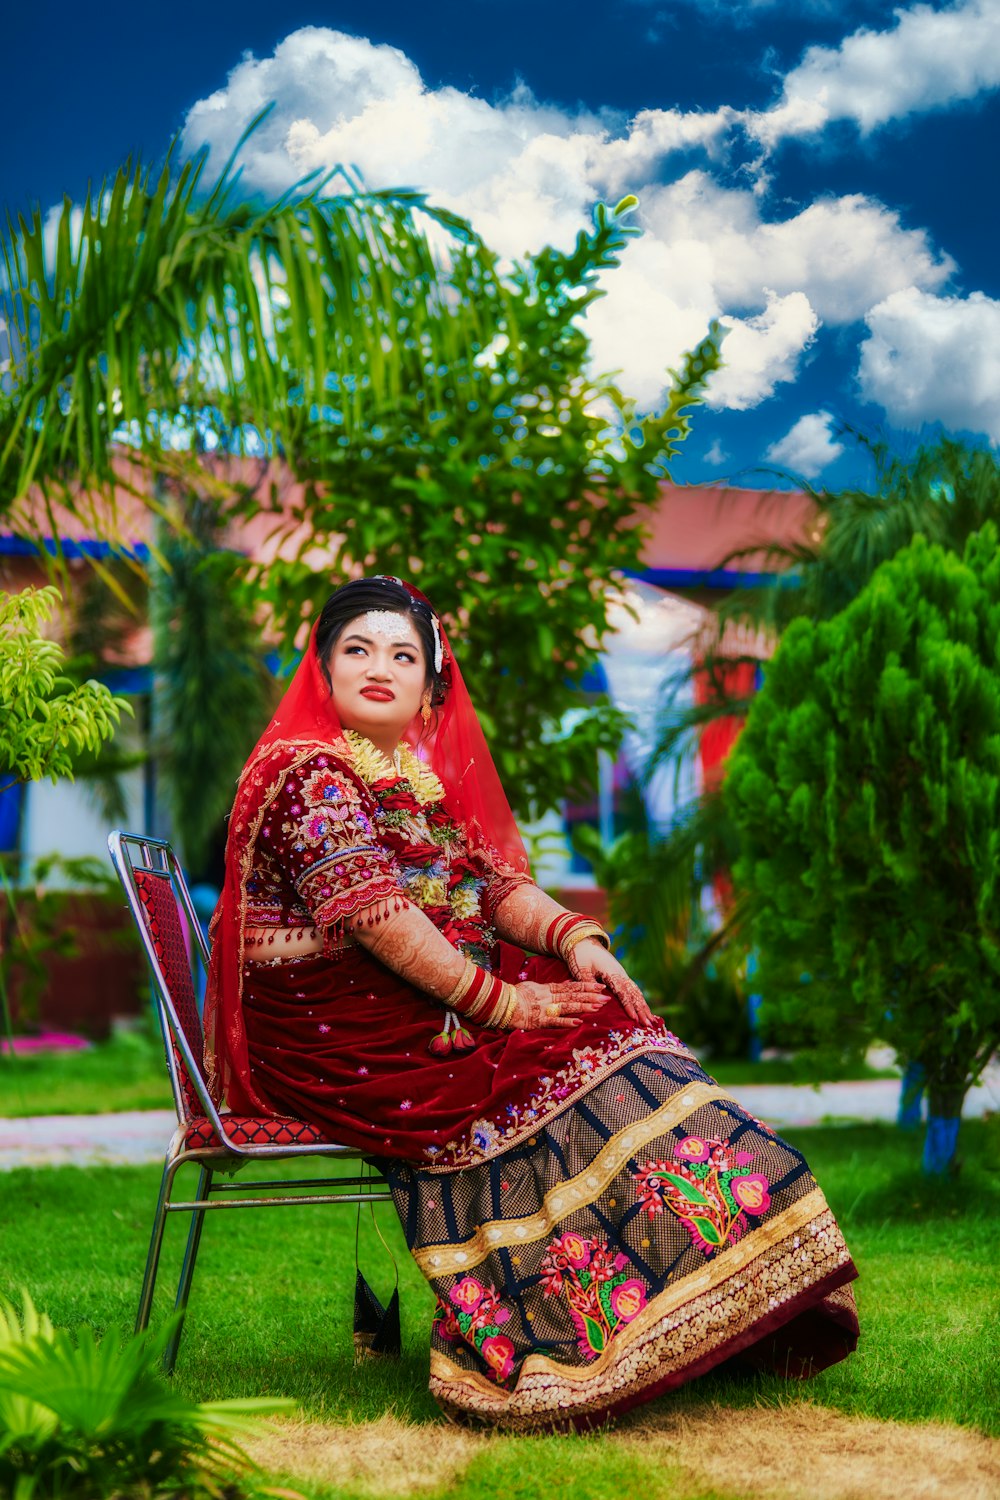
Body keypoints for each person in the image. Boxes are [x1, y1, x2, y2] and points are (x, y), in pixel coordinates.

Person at [205, 576, 858, 1430]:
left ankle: (706, 1302)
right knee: (568, 1046)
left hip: (402, 1015)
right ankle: (594, 1321)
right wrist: (503, 1007)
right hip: (335, 1039)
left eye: (403, 654)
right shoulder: (308, 775)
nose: (379, 667)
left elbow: (495, 883)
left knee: (605, 1018)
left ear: (431, 685)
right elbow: (380, 918)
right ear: (321, 667)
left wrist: (577, 941)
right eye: (357, 649)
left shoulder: (411, 779)